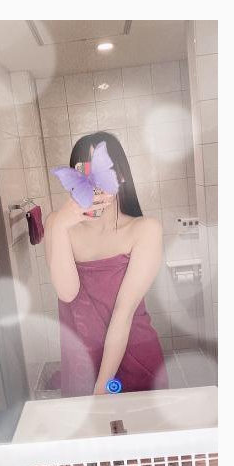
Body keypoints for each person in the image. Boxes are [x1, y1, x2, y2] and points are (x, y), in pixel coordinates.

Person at [44, 131, 168, 397]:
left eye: (102, 171)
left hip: (133, 353)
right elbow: (67, 292)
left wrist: (102, 387)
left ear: (120, 176)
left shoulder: (144, 230)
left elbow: (123, 314)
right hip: (81, 361)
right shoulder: (57, 224)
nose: (93, 184)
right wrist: (61, 224)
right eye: (84, 172)